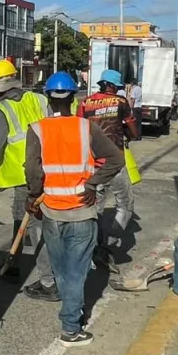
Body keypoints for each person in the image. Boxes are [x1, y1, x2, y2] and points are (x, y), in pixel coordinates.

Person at [24, 72, 124, 346]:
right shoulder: (86, 128)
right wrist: (92, 184)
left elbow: (33, 172)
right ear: (73, 97)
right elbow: (116, 160)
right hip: (81, 212)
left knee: (62, 271)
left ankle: (69, 317)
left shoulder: (37, 129)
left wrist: (32, 198)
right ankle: (71, 327)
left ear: (48, 97)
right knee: (77, 273)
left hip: (52, 214)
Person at [0, 60, 55, 300]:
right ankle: (20, 265)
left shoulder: (2, 109)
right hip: (49, 168)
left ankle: (44, 278)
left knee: (28, 223)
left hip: (23, 175)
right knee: (45, 221)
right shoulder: (38, 99)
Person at [77, 69, 136, 267]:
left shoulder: (85, 103)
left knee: (96, 208)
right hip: (114, 163)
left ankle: (93, 246)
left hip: (93, 164)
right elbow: (133, 129)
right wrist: (131, 134)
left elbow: (79, 129)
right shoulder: (121, 103)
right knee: (126, 204)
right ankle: (108, 244)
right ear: (111, 86)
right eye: (116, 87)